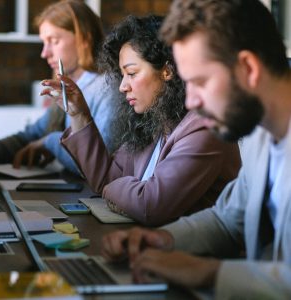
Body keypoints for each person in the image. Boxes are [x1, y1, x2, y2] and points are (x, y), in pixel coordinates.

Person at [100, 0, 291, 298]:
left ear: (249, 68)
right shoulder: (259, 133)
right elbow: (227, 219)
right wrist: (160, 240)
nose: (190, 102)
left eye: (199, 82)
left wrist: (210, 272)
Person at [41, 14, 240, 226]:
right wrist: (78, 114)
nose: (122, 86)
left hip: (192, 254)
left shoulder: (205, 127)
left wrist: (112, 189)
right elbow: (105, 177)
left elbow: (150, 205)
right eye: (122, 75)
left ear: (167, 70)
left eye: (132, 73)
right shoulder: (155, 122)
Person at [0, 0, 115, 175]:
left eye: (54, 41)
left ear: (84, 39)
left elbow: (100, 165)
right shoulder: (72, 88)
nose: (44, 53)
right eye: (44, 42)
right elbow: (29, 137)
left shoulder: (108, 89)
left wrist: (50, 142)